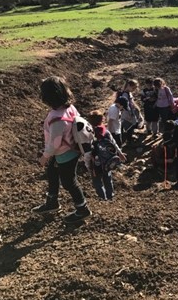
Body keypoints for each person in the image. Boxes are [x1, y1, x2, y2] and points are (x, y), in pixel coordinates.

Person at [31, 76, 91, 223]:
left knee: (69, 182)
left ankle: (82, 208)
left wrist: (45, 156)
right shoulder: (70, 108)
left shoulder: (57, 120)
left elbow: (54, 144)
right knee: (52, 172)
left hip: (65, 154)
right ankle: (52, 202)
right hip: (71, 149)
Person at [86, 110, 127, 201]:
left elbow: (87, 150)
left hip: (95, 162)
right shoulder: (105, 131)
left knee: (97, 181)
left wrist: (88, 165)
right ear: (102, 120)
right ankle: (110, 196)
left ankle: (102, 198)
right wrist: (120, 154)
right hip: (107, 160)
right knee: (107, 177)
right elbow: (114, 143)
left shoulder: (89, 134)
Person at [119, 79, 143, 144]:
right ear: (128, 85)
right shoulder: (124, 94)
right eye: (133, 88)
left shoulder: (129, 93)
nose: (134, 89)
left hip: (130, 112)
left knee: (130, 125)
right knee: (129, 126)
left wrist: (136, 107)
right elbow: (126, 105)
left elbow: (132, 102)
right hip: (127, 113)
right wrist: (130, 113)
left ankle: (128, 137)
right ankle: (128, 140)